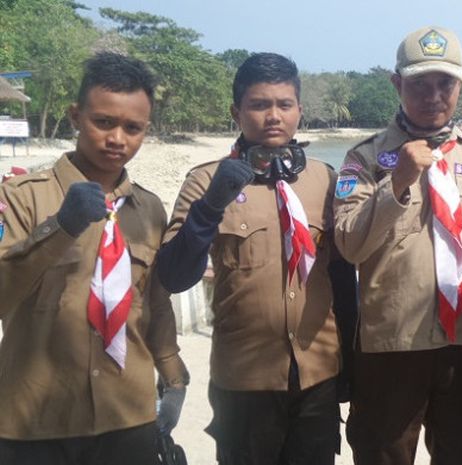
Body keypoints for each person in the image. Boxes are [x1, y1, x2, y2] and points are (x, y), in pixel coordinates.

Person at [156, 52, 356, 465]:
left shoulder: (326, 179)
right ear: (237, 112)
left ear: (300, 109)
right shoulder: (204, 181)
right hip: (244, 380)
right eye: (259, 104)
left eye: (284, 104)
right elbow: (174, 276)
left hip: (318, 374)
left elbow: (341, 279)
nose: (273, 116)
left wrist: (351, 366)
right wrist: (211, 206)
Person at [333, 25, 462, 465]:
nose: (434, 95)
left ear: (460, 85)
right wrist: (396, 182)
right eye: (420, 83)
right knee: (382, 454)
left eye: (445, 83)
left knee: (459, 452)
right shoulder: (365, 159)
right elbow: (347, 244)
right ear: (397, 83)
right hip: (390, 344)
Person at [0, 52, 189, 465]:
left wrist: (174, 379)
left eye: (133, 128)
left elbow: (154, 303)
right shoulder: (20, 198)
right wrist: (60, 228)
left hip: (128, 416)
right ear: (75, 116)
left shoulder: (149, 210)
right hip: (36, 420)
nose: (117, 139)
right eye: (103, 122)